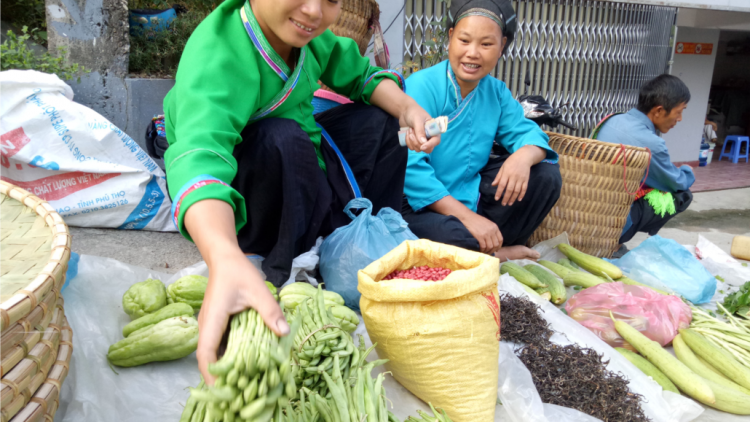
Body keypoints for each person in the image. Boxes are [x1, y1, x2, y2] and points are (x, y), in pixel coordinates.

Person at [163, 0, 440, 384]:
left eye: (329, 0)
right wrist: (222, 255)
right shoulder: (219, 51)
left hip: (306, 164)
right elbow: (200, 157)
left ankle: (366, 243)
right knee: (283, 137)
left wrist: (408, 108)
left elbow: (360, 76)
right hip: (257, 183)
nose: (313, 11)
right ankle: (279, 260)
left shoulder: (310, 41)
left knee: (381, 123)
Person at [400, 0, 562, 261]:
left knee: (545, 175)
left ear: (502, 47)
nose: (473, 53)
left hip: (470, 195)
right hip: (420, 204)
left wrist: (523, 156)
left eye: (486, 44)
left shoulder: (496, 92)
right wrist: (468, 219)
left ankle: (485, 246)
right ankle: (497, 253)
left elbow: (528, 134)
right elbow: (411, 169)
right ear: (451, 38)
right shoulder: (423, 86)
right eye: (464, 40)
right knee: (448, 236)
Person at [593, 74, 694, 248]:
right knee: (682, 194)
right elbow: (675, 182)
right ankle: (617, 239)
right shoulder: (651, 144)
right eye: (679, 112)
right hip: (613, 218)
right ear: (659, 111)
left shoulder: (612, 119)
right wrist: (687, 170)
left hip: (587, 205)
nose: (680, 119)